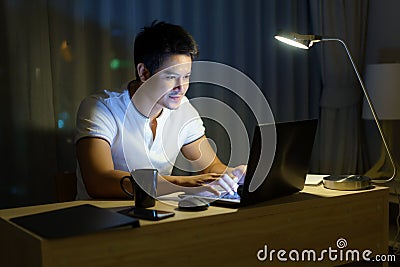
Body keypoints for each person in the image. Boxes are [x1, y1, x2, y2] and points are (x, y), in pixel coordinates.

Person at [75, 21, 246, 200]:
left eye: (186, 76)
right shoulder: (102, 108)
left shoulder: (183, 109)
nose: (181, 87)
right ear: (144, 73)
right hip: (102, 217)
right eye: (171, 77)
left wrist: (234, 175)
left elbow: (211, 168)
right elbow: (99, 182)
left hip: (157, 215)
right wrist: (184, 184)